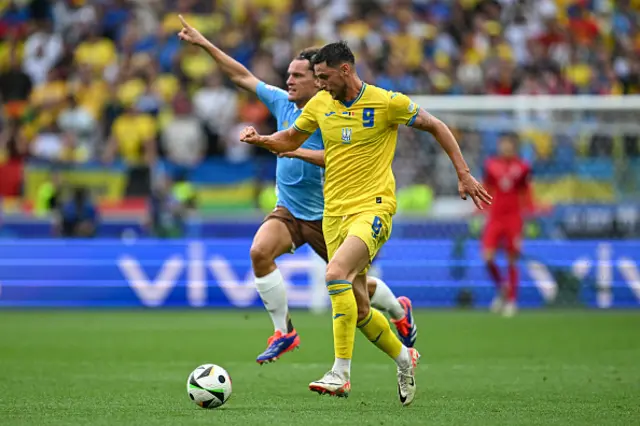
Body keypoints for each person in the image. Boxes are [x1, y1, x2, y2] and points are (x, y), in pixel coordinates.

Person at [240, 41, 491, 405]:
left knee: (334, 275)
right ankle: (404, 358)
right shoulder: (320, 104)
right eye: (317, 78)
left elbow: (436, 125)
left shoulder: (387, 102)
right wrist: (263, 140)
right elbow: (290, 139)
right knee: (357, 309)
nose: (320, 84)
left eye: (324, 77)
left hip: (374, 208)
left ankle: (340, 373)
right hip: (334, 214)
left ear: (345, 70)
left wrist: (464, 173)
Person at [177, 17, 417, 365]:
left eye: (298, 76)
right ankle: (284, 331)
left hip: (331, 213)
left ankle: (398, 309)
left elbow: (336, 158)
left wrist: (289, 149)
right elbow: (241, 76)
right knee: (259, 251)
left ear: (318, 82)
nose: (288, 81)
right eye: (288, 74)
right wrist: (203, 43)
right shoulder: (281, 103)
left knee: (357, 292)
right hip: (289, 209)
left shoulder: (331, 111)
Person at [482, 133, 533, 317]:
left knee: (512, 258)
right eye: (502, 144)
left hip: (513, 217)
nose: (505, 147)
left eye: (508, 144)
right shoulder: (491, 164)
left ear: (515, 146)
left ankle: (512, 300)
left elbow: (526, 192)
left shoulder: (523, 167)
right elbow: (486, 187)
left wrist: (528, 215)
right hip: (495, 217)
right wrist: (480, 208)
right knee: (487, 257)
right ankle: (502, 288)